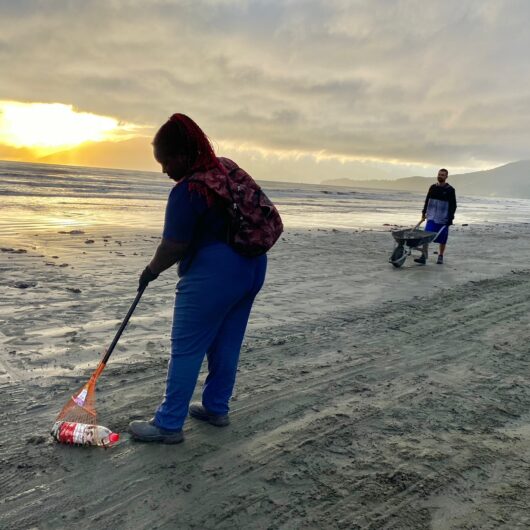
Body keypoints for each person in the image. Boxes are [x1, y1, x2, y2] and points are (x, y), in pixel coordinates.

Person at [129, 114, 270, 444]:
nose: (164, 170)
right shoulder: (226, 169)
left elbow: (174, 245)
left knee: (187, 348)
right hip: (252, 266)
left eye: (166, 162)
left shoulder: (189, 189)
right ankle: (216, 408)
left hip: (214, 273)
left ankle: (168, 424)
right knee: (227, 342)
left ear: (182, 154)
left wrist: (150, 271)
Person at [414, 168, 457, 265]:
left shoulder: (450, 190)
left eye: (442, 175)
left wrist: (450, 218)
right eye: (439, 174)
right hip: (431, 216)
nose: (440, 176)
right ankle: (424, 256)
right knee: (426, 236)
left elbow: (453, 205)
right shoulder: (432, 187)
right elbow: (427, 200)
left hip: (443, 218)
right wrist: (423, 212)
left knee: (442, 238)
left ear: (446, 177)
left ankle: (440, 256)